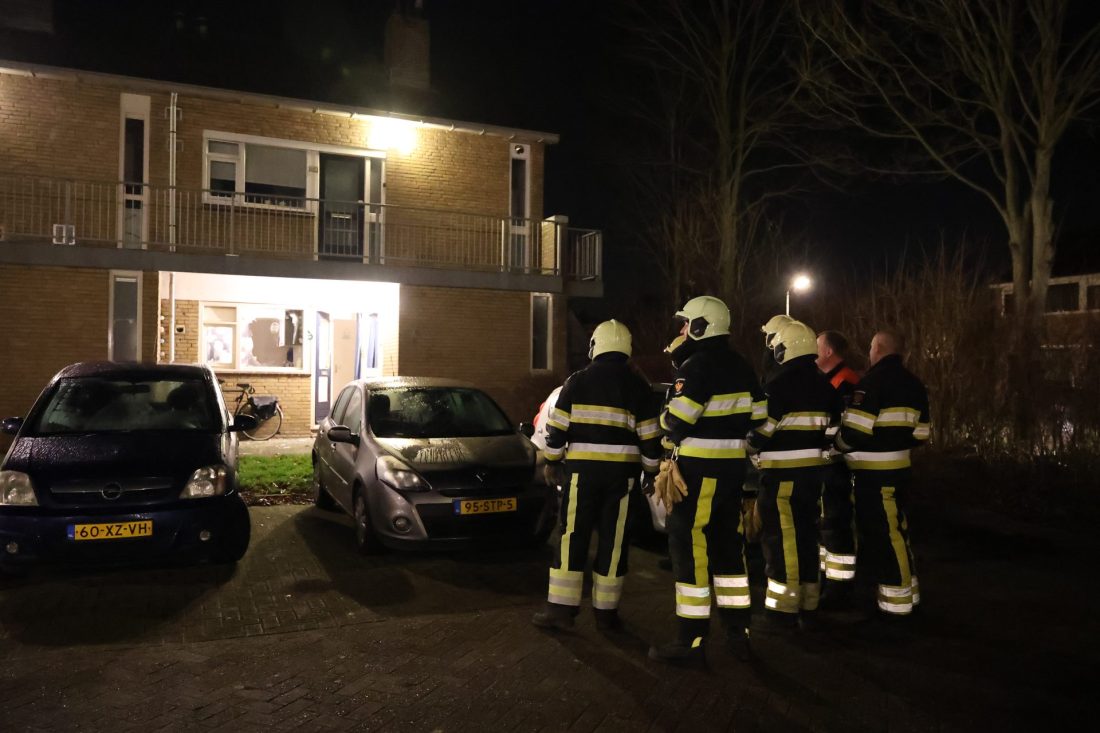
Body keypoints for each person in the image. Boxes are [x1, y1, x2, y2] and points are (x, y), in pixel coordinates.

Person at [648, 296, 766, 665]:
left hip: (699, 471)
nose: (682, 330)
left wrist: (665, 417)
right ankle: (737, 633)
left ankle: (691, 640)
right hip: (732, 471)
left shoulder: (697, 366)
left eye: (686, 324)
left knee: (690, 549)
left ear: (700, 326)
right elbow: (760, 420)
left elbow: (676, 421)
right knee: (729, 548)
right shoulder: (743, 366)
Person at [532, 320, 662, 632]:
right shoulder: (639, 387)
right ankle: (606, 614)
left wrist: (552, 463)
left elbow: (556, 430)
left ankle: (561, 611)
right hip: (622, 479)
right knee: (614, 543)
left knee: (572, 538)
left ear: (595, 346)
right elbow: (650, 438)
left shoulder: (577, 382)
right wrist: (650, 473)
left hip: (582, 477)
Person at [748, 321, 843, 632]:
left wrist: (748, 448)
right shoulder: (826, 387)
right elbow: (834, 433)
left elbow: (759, 434)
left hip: (781, 477)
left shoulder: (777, 387)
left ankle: (783, 612)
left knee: (782, 541)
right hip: (813, 477)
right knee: (806, 538)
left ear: (782, 350)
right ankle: (809, 604)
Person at [836, 330, 931, 619]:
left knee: (884, 536)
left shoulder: (871, 383)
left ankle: (895, 606)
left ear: (877, 348)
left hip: (874, 475)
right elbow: (922, 433)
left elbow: (855, 432)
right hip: (901, 469)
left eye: (870, 347)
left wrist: (836, 446)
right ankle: (910, 594)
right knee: (898, 531)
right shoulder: (915, 384)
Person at [815, 330, 862, 607]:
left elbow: (843, 426)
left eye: (818, 346)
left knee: (836, 524)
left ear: (829, 351)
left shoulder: (845, 382)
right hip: (829, 463)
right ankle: (828, 583)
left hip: (838, 464)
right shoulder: (831, 380)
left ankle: (839, 589)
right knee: (827, 525)